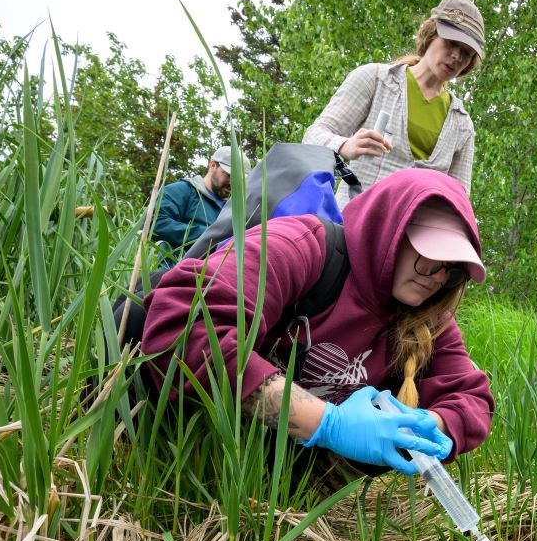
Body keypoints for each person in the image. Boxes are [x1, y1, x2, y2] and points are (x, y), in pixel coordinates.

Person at [140, 168, 494, 475]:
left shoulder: (428, 318)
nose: (438, 277)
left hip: (274, 477)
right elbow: (185, 325)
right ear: (389, 229)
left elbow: (472, 398)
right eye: (431, 256)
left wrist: (426, 425)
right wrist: (327, 424)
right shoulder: (303, 246)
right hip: (171, 440)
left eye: (452, 269)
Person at [303, 0, 484, 203]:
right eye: (451, 43)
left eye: (467, 54)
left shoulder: (462, 124)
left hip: (419, 232)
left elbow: (459, 197)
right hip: (356, 226)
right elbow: (312, 137)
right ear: (430, 33)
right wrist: (345, 146)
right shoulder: (375, 79)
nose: (457, 57)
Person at [151, 145, 250, 267]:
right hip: (175, 275)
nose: (232, 183)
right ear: (213, 165)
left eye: (238, 180)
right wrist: (210, 236)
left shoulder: (231, 210)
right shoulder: (182, 191)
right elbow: (155, 224)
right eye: (229, 175)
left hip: (213, 279)